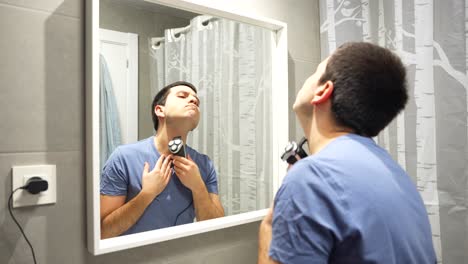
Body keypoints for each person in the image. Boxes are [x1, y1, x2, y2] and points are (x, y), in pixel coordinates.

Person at [258, 42, 437, 263]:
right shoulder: (395, 174)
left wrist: (267, 231)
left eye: (316, 70)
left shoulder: (311, 178)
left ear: (323, 91)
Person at [100, 81, 225, 239]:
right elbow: (103, 232)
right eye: (182, 96)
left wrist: (198, 186)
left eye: (196, 101)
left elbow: (218, 231)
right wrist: (147, 194)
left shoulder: (204, 164)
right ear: (160, 110)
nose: (193, 100)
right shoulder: (123, 158)